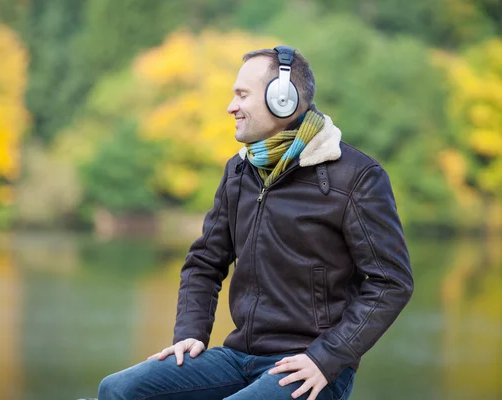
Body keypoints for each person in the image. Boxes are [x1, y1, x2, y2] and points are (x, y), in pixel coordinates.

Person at [97, 46, 414, 400]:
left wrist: (328, 357)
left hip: (310, 366)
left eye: (242, 95)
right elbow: (204, 263)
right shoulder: (238, 171)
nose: (231, 107)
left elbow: (391, 282)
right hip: (238, 357)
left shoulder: (356, 176)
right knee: (118, 390)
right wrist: (190, 332)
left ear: (283, 100)